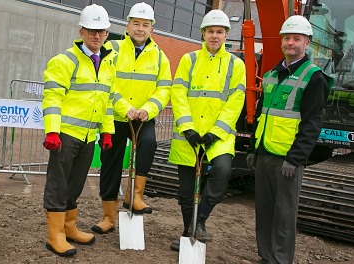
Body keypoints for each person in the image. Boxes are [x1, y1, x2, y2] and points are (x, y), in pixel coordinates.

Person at [246, 15, 332, 264]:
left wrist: (295, 159)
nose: (290, 43)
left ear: (307, 43)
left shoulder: (314, 77)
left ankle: (280, 260)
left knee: (284, 214)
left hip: (287, 160)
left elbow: (312, 124)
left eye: (296, 39)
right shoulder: (272, 74)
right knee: (264, 211)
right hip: (265, 154)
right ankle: (266, 257)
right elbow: (262, 115)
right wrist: (254, 147)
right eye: (287, 38)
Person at [40, 4, 117, 257]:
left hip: (87, 137)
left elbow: (105, 103)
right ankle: (55, 236)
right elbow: (52, 98)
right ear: (81, 31)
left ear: (107, 34)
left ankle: (69, 227)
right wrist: (52, 131)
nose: (97, 36)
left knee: (76, 184)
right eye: (92, 31)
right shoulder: (64, 61)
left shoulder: (107, 64)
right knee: (58, 184)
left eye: (102, 32)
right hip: (64, 135)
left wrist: (106, 132)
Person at [91, 2, 171, 234]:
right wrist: (124, 107)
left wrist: (147, 109)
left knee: (149, 143)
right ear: (127, 26)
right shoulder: (112, 48)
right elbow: (106, 81)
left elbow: (164, 89)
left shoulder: (160, 56)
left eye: (145, 25)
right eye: (136, 23)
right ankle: (108, 216)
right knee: (110, 163)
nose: (140, 28)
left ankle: (134, 196)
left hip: (143, 117)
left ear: (151, 29)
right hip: (116, 117)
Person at [168, 9, 246, 251]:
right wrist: (188, 128)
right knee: (186, 190)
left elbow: (236, 100)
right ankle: (187, 230)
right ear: (203, 33)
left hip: (218, 137)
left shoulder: (236, 64)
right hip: (188, 136)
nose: (214, 35)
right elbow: (178, 93)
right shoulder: (189, 60)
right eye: (210, 31)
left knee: (221, 174)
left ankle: (199, 221)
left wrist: (216, 132)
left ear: (226, 35)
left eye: (219, 32)